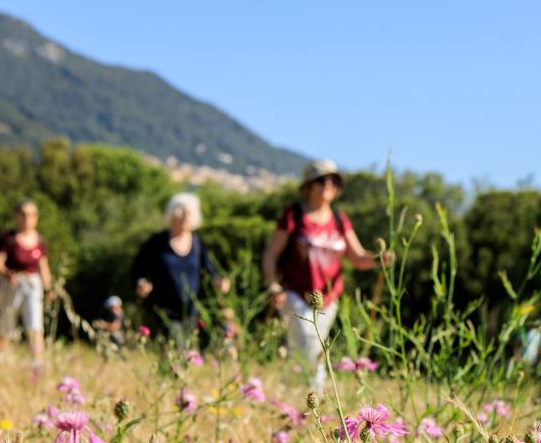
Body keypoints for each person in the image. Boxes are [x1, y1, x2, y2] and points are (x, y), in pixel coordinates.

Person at [262, 159, 394, 389]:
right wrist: (273, 285)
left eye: (334, 180)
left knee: (307, 347)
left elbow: (357, 257)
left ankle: (289, 393)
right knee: (309, 341)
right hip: (295, 293)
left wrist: (377, 259)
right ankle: (315, 397)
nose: (328, 184)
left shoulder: (340, 221)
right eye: (322, 179)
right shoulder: (294, 216)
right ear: (309, 185)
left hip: (328, 298)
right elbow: (271, 254)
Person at [132, 193, 230, 347]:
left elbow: (210, 270)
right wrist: (141, 283)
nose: (186, 217)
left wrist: (220, 281)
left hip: (191, 311)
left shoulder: (198, 243)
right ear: (173, 214)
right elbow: (139, 269)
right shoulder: (157, 242)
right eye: (182, 212)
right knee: (176, 348)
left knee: (189, 351)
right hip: (164, 311)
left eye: (190, 213)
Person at [0, 199, 55, 374]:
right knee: (6, 322)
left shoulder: (40, 240)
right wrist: (8, 274)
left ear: (36, 217)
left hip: (33, 284)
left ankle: (38, 363)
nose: (27, 218)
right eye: (23, 214)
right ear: (17, 216)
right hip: (11, 284)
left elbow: (43, 267)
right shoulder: (9, 238)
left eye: (31, 215)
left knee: (35, 324)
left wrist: (48, 288)